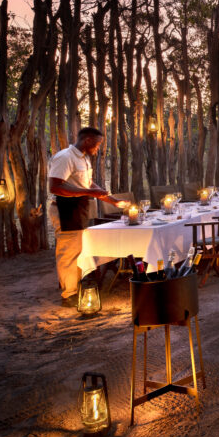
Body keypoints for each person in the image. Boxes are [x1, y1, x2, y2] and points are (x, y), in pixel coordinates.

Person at [48, 127, 127, 307]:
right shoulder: (65, 157)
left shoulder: (83, 159)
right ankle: (69, 294)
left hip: (78, 208)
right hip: (64, 209)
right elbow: (55, 186)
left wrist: (112, 201)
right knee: (68, 253)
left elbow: (88, 184)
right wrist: (88, 192)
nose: (98, 149)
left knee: (78, 251)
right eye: (97, 145)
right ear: (88, 141)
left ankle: (75, 287)